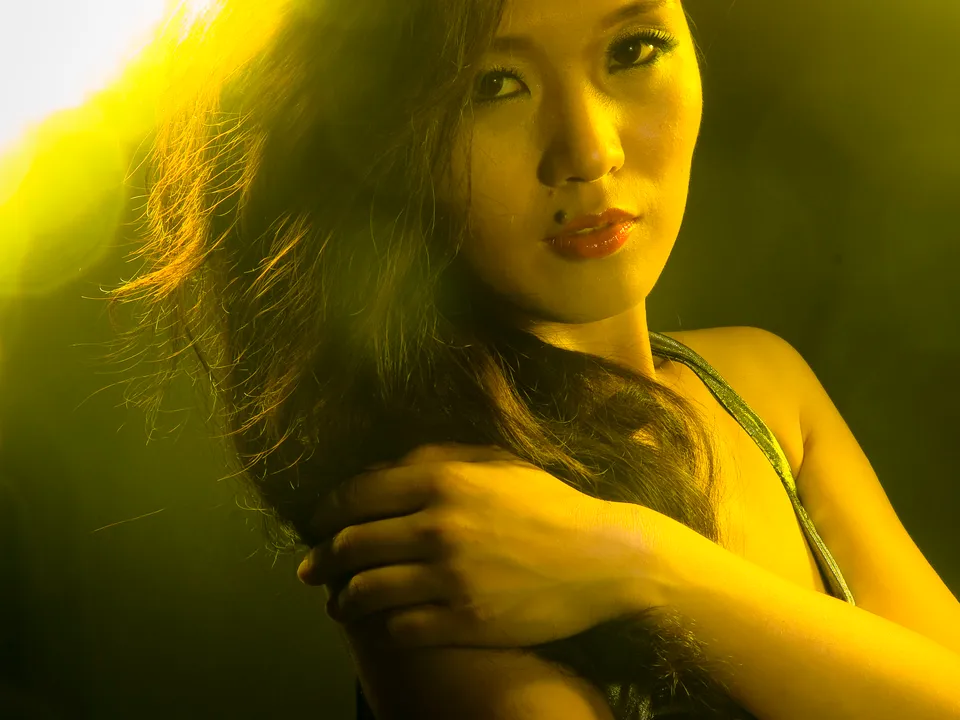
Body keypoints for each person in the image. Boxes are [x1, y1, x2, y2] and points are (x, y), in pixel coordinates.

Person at [104, 0, 958, 718]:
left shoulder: (764, 389)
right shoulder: (448, 533)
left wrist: (644, 564)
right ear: (380, 134)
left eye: (634, 50)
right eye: (492, 85)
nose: (588, 151)